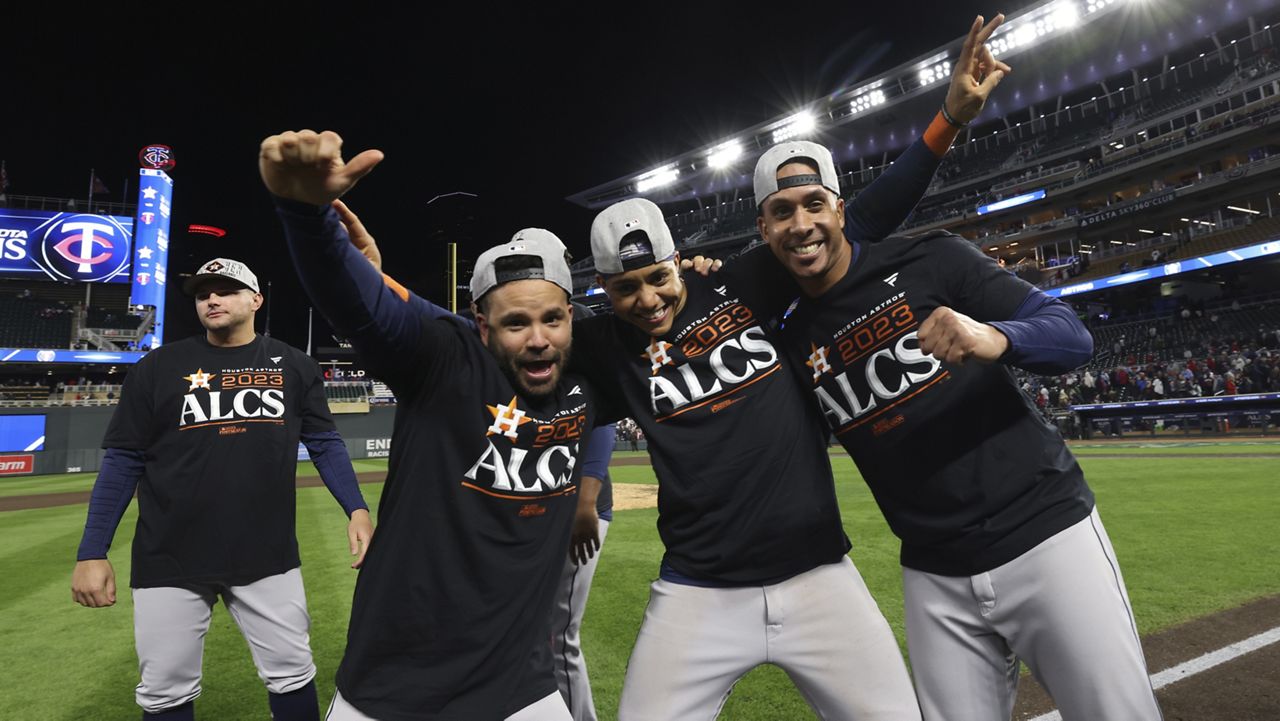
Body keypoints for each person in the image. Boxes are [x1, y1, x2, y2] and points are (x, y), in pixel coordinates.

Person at [750, 36, 1163, 721]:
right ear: (763, 230)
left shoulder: (931, 261)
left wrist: (993, 336)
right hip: (933, 572)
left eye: (814, 203)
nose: (802, 223)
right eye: (782, 212)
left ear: (840, 208)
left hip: (1045, 538)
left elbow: (1071, 335)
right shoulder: (788, 335)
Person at [260, 130, 605, 720]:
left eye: (552, 318)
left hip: (522, 690)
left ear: (572, 315)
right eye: (516, 322)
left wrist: (588, 493)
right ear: (482, 325)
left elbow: (666, 312)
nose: (540, 339)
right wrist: (304, 215)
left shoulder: (594, 368)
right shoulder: (445, 355)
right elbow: (360, 308)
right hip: (393, 690)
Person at [71, 257, 374, 721]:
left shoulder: (294, 365)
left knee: (292, 672)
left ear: (256, 300)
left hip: (266, 553)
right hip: (169, 555)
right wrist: (92, 550)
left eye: (226, 289)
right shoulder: (158, 366)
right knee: (164, 689)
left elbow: (324, 442)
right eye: (201, 293)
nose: (212, 298)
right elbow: (122, 459)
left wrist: (356, 507)